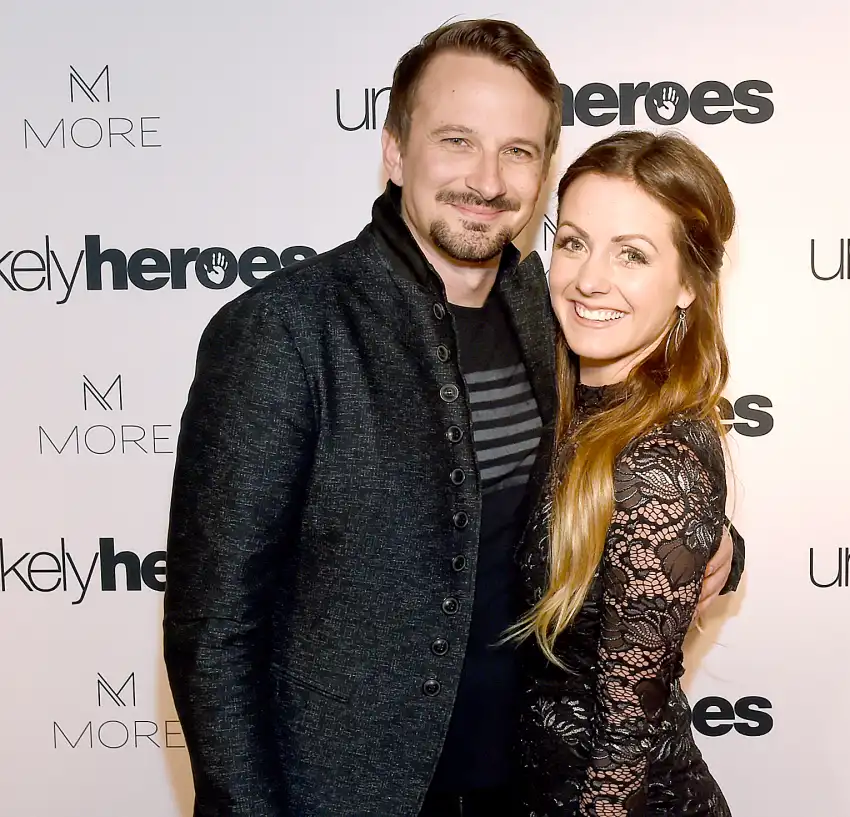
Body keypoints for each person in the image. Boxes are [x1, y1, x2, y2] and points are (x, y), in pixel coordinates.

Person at [162, 19, 744, 817]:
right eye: (457, 140)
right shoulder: (286, 332)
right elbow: (213, 630)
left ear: (542, 171)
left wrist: (714, 540)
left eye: (518, 150)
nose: (487, 178)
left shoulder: (554, 312)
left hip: (528, 789)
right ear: (396, 149)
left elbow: (614, 474)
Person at [512, 130, 737, 816]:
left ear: (688, 287)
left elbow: (621, 752)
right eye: (574, 241)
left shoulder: (657, 466)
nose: (589, 278)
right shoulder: (564, 400)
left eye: (632, 254)